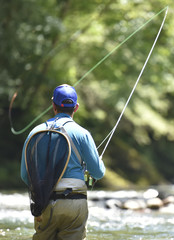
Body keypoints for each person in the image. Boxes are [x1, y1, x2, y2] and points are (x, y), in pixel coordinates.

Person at [21, 84, 105, 240]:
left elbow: (25, 175)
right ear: (76, 107)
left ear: (53, 105)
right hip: (75, 203)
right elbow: (98, 173)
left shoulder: (34, 133)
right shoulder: (83, 134)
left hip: (44, 203)